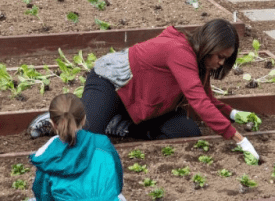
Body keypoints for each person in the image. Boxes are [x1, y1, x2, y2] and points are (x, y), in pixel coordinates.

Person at [29, 18, 261, 160]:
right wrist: (238, 139)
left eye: (225, 59)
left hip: (143, 101)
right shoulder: (180, 51)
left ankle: (117, 123)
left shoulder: (202, 63)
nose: (221, 63)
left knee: (186, 131)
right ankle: (60, 119)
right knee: (86, 140)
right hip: (113, 84)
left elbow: (207, 99)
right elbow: (199, 102)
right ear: (209, 46)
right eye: (220, 57)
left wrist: (232, 113)